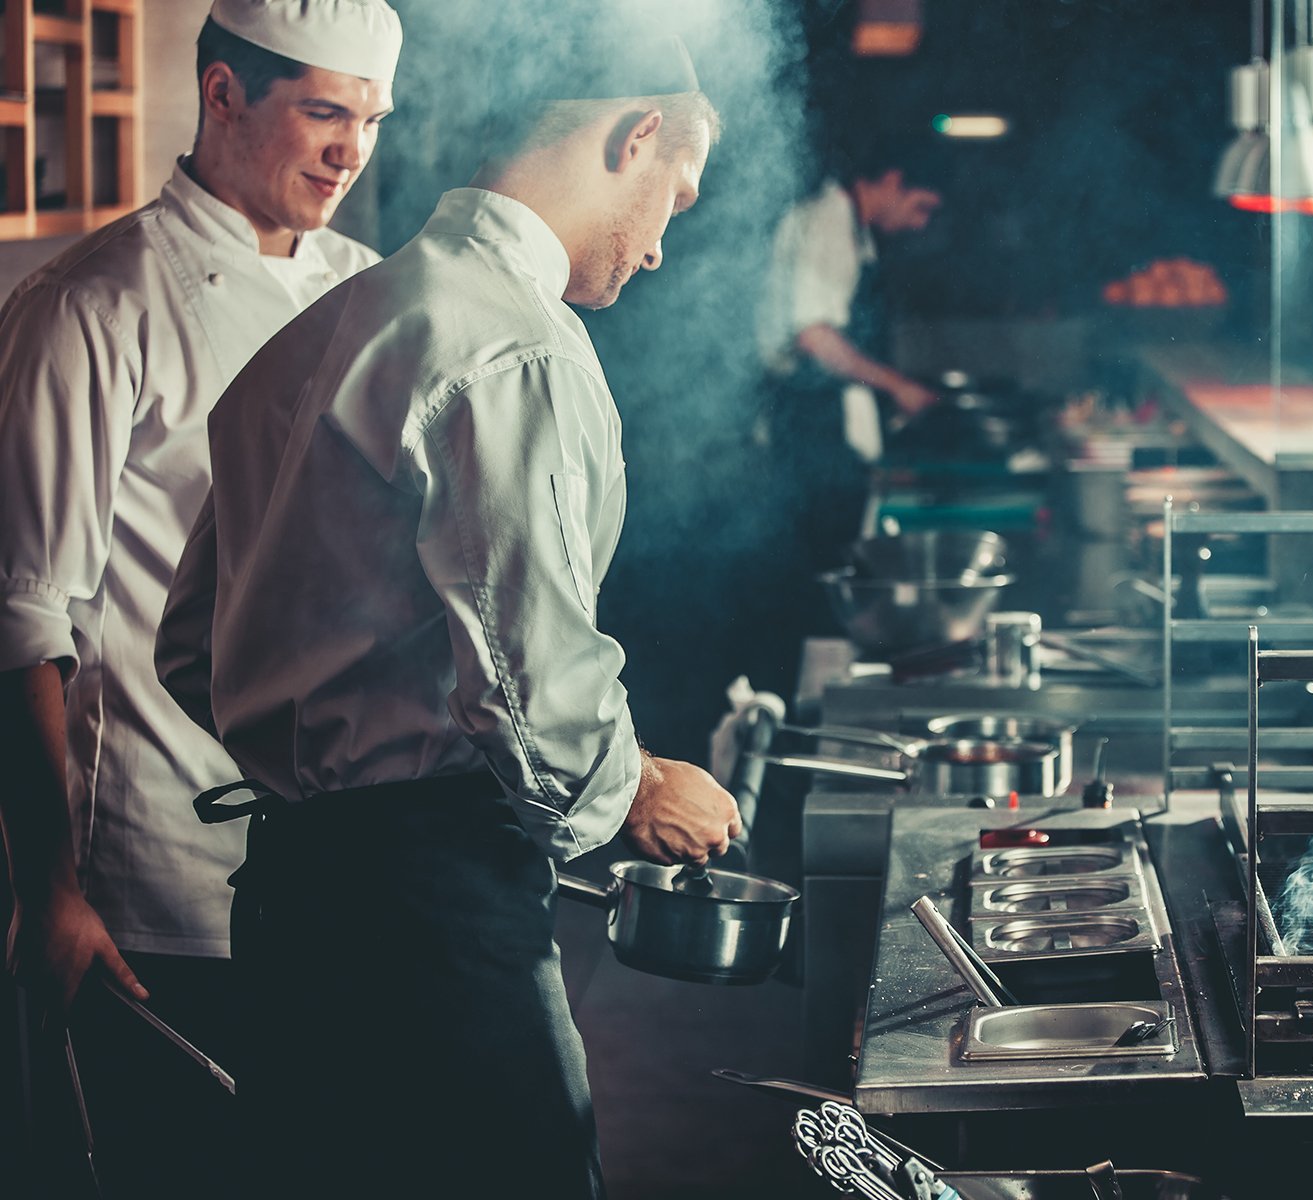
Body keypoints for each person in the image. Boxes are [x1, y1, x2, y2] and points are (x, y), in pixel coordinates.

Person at [155, 34, 736, 1198]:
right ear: (632, 139)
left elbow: (189, 652)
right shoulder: (512, 344)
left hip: (289, 907)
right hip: (433, 933)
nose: (664, 246)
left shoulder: (326, 325)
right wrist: (638, 788)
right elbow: (531, 687)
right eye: (671, 198)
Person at [0, 0, 398, 1191]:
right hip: (157, 877)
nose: (352, 151)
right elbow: (26, 615)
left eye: (370, 119)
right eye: (325, 112)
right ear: (222, 95)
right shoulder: (95, 305)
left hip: (334, 864)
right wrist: (49, 886)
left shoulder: (364, 288)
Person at [749, 156, 945, 699]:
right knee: (822, 586)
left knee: (826, 580)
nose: (921, 222)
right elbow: (813, 335)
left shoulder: (849, 230)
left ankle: (812, 705)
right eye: (921, 205)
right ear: (889, 177)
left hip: (822, 426)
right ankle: (810, 714)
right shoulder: (830, 224)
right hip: (812, 430)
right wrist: (898, 387)